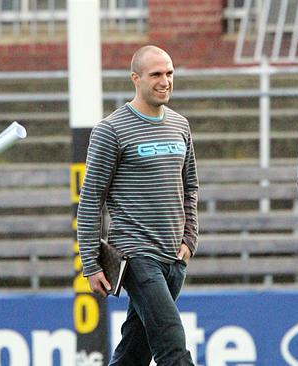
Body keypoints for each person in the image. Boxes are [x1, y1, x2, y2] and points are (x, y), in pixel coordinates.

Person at [77, 45, 199, 366]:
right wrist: (90, 264)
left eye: (169, 73)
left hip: (174, 257)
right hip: (136, 256)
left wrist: (189, 238)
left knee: (134, 352)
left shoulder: (180, 125)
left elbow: (190, 187)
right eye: (156, 74)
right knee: (172, 344)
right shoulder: (110, 130)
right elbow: (91, 200)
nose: (165, 81)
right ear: (136, 78)